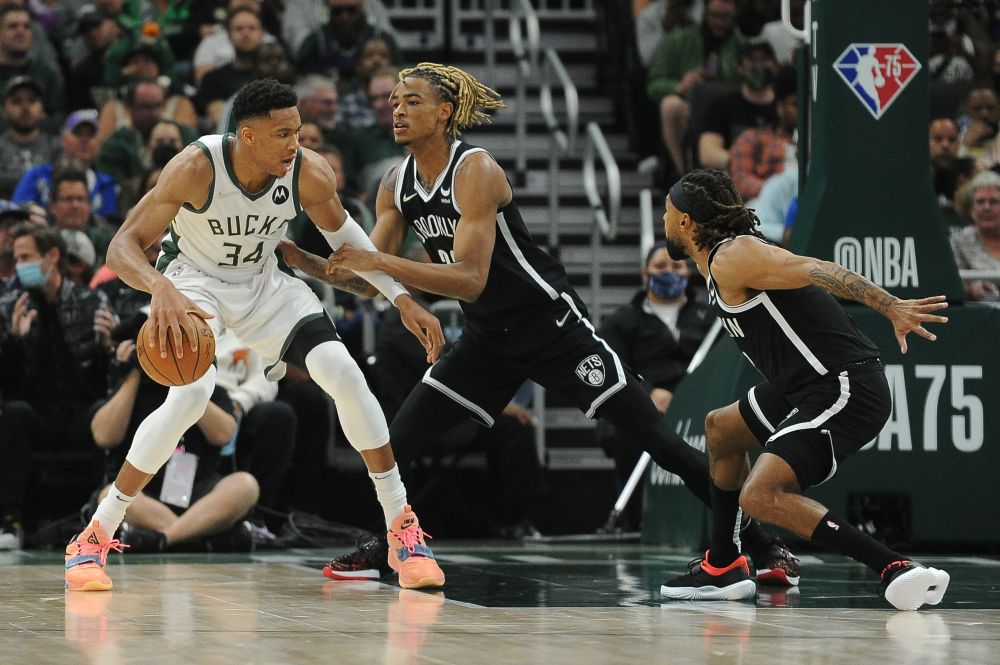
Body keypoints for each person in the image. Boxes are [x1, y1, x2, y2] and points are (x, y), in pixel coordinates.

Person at [291, 63, 797, 584]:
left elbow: (469, 279)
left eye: (412, 101)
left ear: (444, 112)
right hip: (487, 340)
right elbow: (366, 279)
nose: (397, 110)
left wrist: (377, 261)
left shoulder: (475, 170)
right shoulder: (394, 184)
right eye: (395, 101)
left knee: (659, 443)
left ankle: (763, 545)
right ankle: (390, 546)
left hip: (552, 327)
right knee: (392, 446)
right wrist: (299, 259)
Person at [64, 78, 447, 593]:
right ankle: (94, 535)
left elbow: (353, 244)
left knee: (344, 373)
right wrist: (159, 287)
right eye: (283, 134)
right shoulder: (196, 167)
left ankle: (402, 530)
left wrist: (401, 299)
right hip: (194, 282)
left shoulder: (308, 171)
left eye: (298, 131)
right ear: (247, 136)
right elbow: (121, 247)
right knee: (190, 397)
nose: (295, 144)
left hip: (265, 284)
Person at [656, 169, 950, 610]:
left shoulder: (734, 256)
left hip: (844, 385)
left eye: (666, 211)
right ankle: (723, 564)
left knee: (760, 494)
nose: (662, 219)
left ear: (685, 221)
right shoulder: (719, 260)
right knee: (722, 429)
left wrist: (890, 306)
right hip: (801, 385)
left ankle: (894, 567)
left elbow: (819, 269)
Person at [596, 242, 714, 530]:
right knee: (627, 431)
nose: (669, 272)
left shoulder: (711, 320)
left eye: (676, 266)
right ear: (645, 274)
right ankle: (634, 521)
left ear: (688, 273)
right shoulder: (622, 321)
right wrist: (648, 393)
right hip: (643, 406)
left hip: (699, 404)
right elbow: (611, 367)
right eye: (660, 266)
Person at [950, 170, 1000, 302]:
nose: (986, 207)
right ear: (971, 209)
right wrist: (971, 288)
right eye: (980, 202)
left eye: (994, 201)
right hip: (981, 308)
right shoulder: (959, 242)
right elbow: (950, 284)